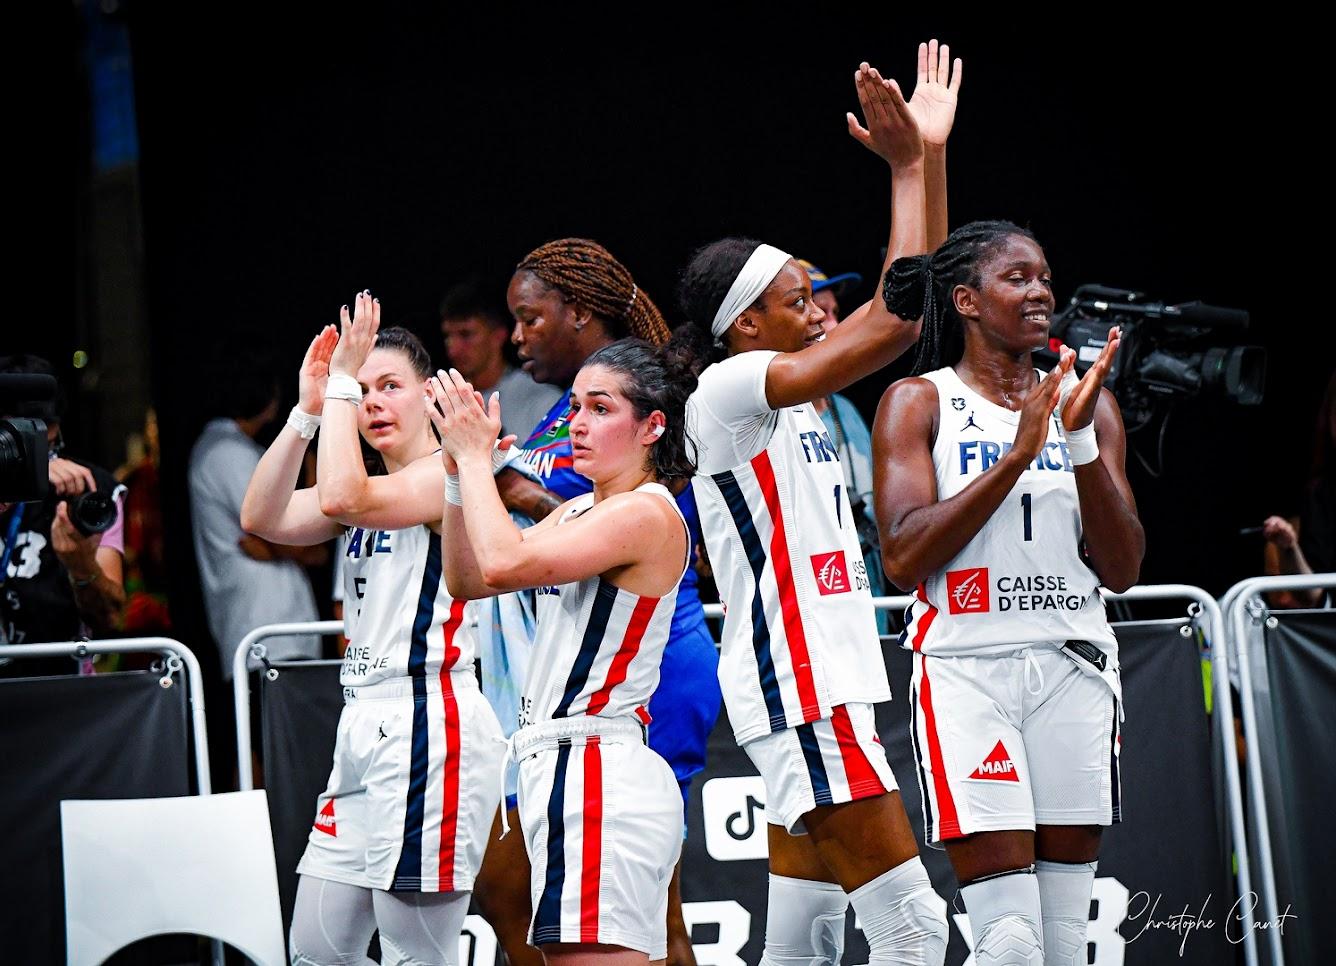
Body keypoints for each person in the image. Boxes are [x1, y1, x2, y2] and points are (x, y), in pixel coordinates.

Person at [671, 51, 954, 966]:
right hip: (802, 682)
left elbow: (911, 304)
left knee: (805, 938)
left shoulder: (796, 397)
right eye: (801, 301)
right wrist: (908, 172)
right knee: (913, 930)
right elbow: (897, 318)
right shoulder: (729, 388)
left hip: (821, 675)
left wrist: (929, 159)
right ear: (746, 324)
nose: (825, 311)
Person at [874, 220, 1144, 966]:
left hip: (1074, 666)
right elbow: (901, 557)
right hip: (967, 670)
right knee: (1011, 939)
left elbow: (1121, 570)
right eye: (1017, 278)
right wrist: (1017, 456)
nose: (1040, 293)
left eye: (1045, 278)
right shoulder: (916, 401)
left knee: (1062, 940)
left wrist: (1078, 440)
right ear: (965, 299)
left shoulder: (1092, 405)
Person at [240, 300, 529, 965]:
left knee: (413, 955)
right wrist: (309, 410)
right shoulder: (371, 486)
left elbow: (342, 499)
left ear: (428, 393)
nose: (370, 402)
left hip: (429, 717)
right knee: (315, 951)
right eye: (362, 389)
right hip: (365, 720)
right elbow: (261, 514)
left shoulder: (444, 474)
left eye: (387, 386)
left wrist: (341, 381)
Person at [480, 238, 720, 966]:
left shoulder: (639, 444)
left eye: (530, 317)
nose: (516, 336)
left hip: (640, 674)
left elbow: (511, 553)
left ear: (578, 313)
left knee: (647, 919)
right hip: (566, 700)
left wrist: (494, 476)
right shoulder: (571, 419)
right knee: (533, 904)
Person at [428, 338, 696, 965]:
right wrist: (453, 474)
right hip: (567, 769)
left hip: (599, 767)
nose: (577, 422)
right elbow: (466, 580)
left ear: (652, 426)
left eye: (601, 409)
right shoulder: (578, 509)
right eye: (575, 406)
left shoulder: (645, 514)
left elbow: (501, 563)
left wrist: (475, 462)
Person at [189, 364, 324, 677]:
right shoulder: (227, 451)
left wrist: (281, 547)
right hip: (266, 628)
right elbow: (283, 527)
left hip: (273, 628)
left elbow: (296, 543)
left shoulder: (229, 448)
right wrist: (290, 546)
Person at [1, 354, 126, 677]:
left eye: (49, 446)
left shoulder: (86, 488)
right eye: (25, 445)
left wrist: (81, 565)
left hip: (61, 688)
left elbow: (111, 618)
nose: (43, 459)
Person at [798, 257, 889, 630]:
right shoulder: (767, 412)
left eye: (835, 311)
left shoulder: (846, 409)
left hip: (865, 585)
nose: (831, 323)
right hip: (803, 597)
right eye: (818, 310)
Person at [440, 280, 562, 441]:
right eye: (448, 336)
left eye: (466, 334)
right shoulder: (441, 403)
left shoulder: (543, 401)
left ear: (499, 335)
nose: (453, 349)